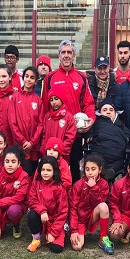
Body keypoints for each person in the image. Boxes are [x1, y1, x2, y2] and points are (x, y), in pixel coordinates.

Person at [41, 40, 95, 182]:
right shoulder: (50, 77)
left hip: (75, 134)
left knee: (75, 167)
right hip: (55, 133)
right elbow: (45, 105)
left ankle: (74, 199)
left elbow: (88, 103)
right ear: (59, 55)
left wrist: (90, 118)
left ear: (74, 55)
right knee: (54, 167)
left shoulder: (82, 77)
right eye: (63, 52)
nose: (66, 55)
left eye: (69, 52)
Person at [0, 146, 31, 240]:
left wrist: (0, 203)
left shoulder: (24, 176)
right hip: (2, 208)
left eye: (13, 162)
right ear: (3, 163)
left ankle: (16, 226)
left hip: (17, 206)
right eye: (7, 161)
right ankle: (1, 223)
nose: (10, 165)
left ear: (18, 163)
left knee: (13, 211)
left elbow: (19, 197)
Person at [69, 154, 112, 254]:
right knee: (77, 247)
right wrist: (74, 230)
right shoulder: (78, 184)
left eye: (93, 169)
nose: (90, 172)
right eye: (87, 169)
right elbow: (73, 208)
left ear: (100, 170)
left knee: (103, 206)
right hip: (80, 220)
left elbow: (100, 202)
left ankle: (103, 239)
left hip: (92, 216)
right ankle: (79, 232)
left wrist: (94, 188)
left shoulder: (104, 184)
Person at [26, 156, 68, 253]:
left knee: (56, 249)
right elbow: (32, 200)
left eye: (48, 170)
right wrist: (42, 211)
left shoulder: (59, 188)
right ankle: (36, 239)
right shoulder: (36, 182)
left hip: (54, 220)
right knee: (31, 214)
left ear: (54, 172)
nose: (45, 172)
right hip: (41, 217)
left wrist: (53, 233)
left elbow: (63, 212)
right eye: (43, 169)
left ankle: (61, 230)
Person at [8, 66, 44, 175]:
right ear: (23, 78)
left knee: (31, 174)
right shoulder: (15, 97)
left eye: (32, 77)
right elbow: (12, 122)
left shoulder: (38, 101)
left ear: (36, 81)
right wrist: (23, 141)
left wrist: (32, 142)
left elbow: (40, 124)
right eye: (27, 76)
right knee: (19, 174)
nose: (28, 79)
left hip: (33, 147)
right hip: (19, 145)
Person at [87, 97, 130, 181]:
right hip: (100, 154)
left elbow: (127, 134)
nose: (108, 112)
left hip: (117, 154)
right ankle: (105, 171)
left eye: (111, 110)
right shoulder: (97, 124)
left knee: (118, 163)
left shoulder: (120, 125)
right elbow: (89, 132)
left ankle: (110, 171)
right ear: (100, 112)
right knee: (97, 162)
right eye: (105, 110)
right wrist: (89, 136)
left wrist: (125, 138)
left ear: (115, 112)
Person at [41, 85, 76, 161]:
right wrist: (44, 149)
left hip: (61, 157)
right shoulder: (47, 116)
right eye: (51, 100)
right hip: (47, 156)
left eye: (56, 99)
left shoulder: (68, 117)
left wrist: (59, 151)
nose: (54, 102)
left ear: (62, 99)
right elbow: (43, 135)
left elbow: (69, 139)